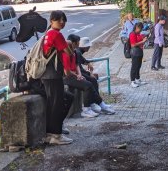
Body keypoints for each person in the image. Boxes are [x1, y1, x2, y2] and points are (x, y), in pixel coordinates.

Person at [41, 10, 75, 145]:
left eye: (63, 20)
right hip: (53, 75)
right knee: (57, 104)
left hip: (46, 74)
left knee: (52, 104)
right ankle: (56, 136)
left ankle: (50, 133)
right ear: (51, 21)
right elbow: (69, 53)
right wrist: (69, 45)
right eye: (58, 19)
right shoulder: (57, 34)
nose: (61, 22)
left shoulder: (48, 33)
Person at [66, 34, 115, 115]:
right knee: (89, 84)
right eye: (78, 43)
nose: (79, 44)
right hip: (70, 76)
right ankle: (94, 105)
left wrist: (82, 73)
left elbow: (77, 65)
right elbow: (67, 71)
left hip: (76, 74)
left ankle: (96, 103)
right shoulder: (70, 53)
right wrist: (79, 75)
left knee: (92, 81)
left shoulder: (74, 52)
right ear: (73, 43)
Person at [129, 22, 148, 88]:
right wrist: (142, 41)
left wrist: (144, 39)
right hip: (135, 52)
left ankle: (137, 79)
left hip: (139, 52)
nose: (141, 30)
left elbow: (139, 41)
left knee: (138, 66)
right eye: (140, 29)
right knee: (134, 67)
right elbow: (133, 44)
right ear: (137, 28)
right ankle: (132, 81)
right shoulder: (132, 34)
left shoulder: (138, 34)